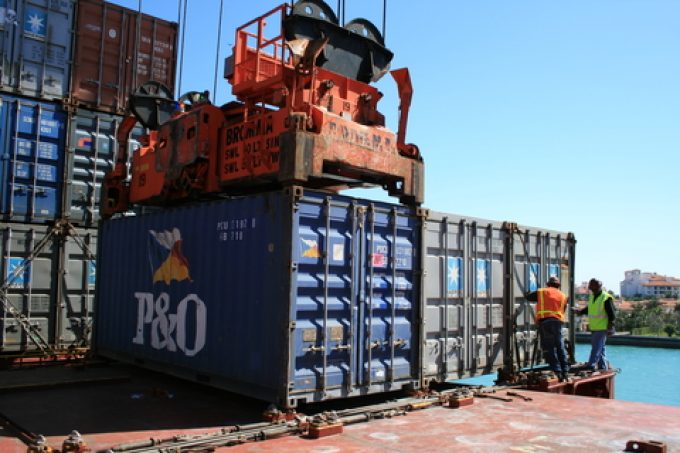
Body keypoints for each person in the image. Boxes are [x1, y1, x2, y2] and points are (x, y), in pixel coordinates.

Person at [525, 276, 570, 381]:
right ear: (558, 285)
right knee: (560, 346)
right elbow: (563, 310)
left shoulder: (542, 291)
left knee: (549, 348)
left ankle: (557, 371)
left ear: (548, 284)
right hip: (558, 322)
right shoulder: (563, 296)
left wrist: (528, 292)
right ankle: (565, 371)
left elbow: (528, 297)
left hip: (546, 322)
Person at [577, 278, 616, 370]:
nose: (589, 287)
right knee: (601, 348)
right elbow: (589, 308)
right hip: (595, 327)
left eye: (591, 285)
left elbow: (612, 314)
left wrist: (611, 327)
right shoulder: (593, 297)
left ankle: (591, 365)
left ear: (597, 286)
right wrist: (579, 311)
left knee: (596, 347)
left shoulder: (605, 297)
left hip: (602, 327)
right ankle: (603, 367)